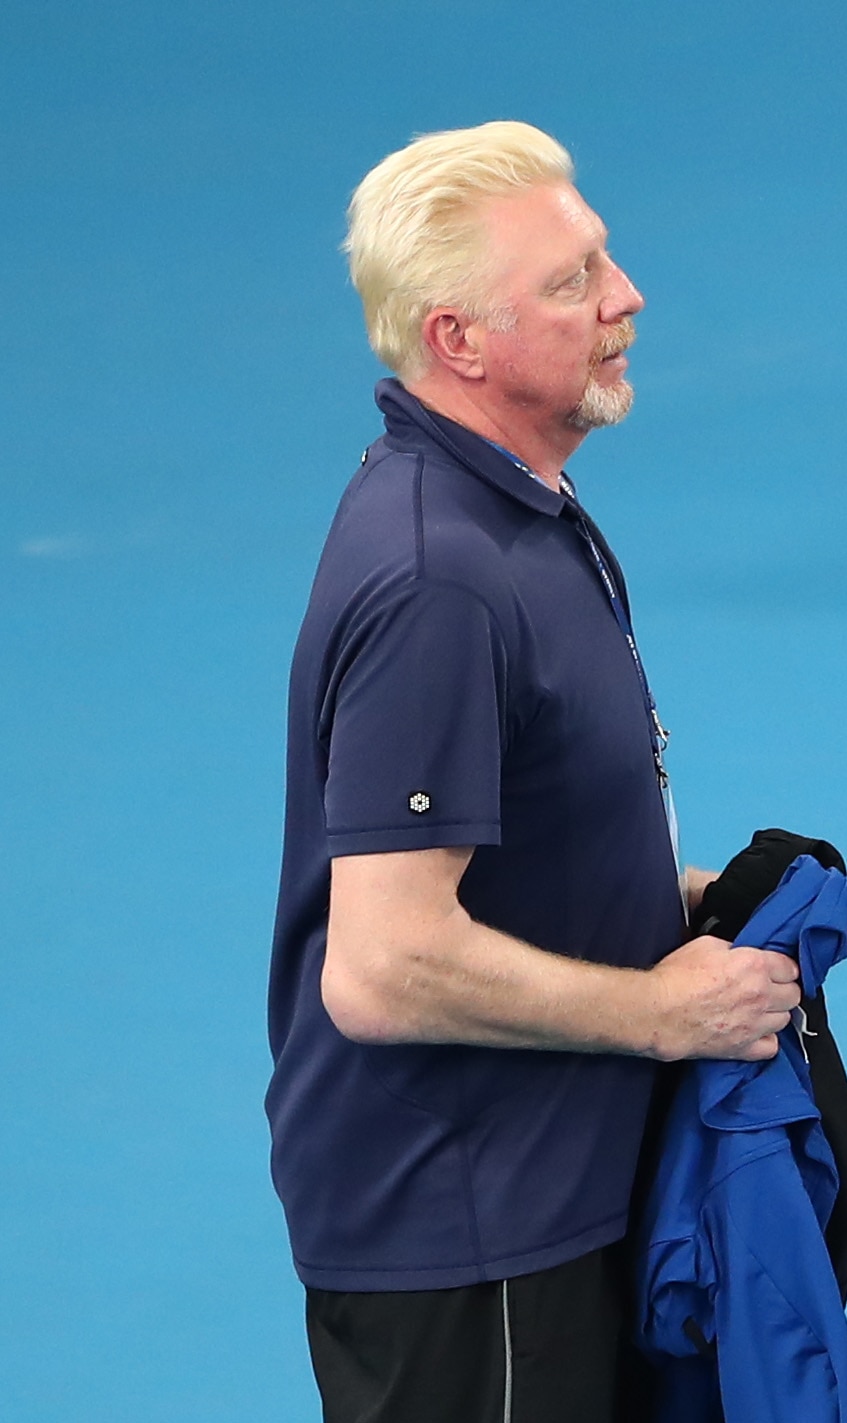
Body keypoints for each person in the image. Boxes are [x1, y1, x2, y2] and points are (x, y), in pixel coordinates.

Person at [266, 121, 801, 1423]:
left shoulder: (520, 512)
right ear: (459, 339)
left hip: (548, 1192)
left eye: (603, 259)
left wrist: (642, 895)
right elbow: (382, 964)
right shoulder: (440, 577)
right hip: (471, 1235)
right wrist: (661, 1015)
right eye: (570, 282)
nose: (625, 299)